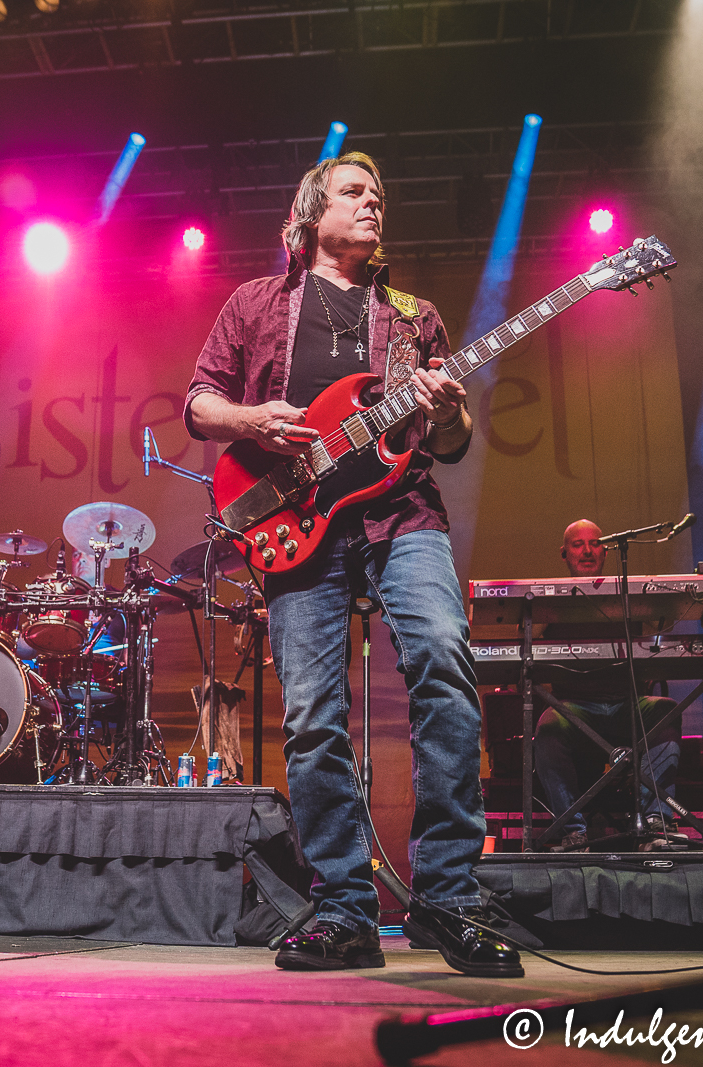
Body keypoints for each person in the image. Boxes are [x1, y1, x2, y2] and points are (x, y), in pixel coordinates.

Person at [184, 152, 521, 977]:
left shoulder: (414, 317)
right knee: (312, 716)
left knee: (444, 660)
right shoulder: (256, 304)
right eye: (355, 192)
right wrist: (251, 419)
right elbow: (198, 404)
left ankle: (447, 893)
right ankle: (343, 910)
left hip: (401, 515)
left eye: (381, 193)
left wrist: (444, 415)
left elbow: (450, 443)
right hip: (298, 528)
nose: (374, 203)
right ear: (308, 217)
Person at [533, 520, 682, 851]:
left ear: (607, 550)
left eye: (595, 543)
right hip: (574, 711)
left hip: (627, 705)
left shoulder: (630, 595)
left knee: (665, 710)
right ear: (564, 553)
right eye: (577, 544)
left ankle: (657, 823)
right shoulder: (548, 602)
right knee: (547, 724)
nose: (587, 550)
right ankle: (572, 832)